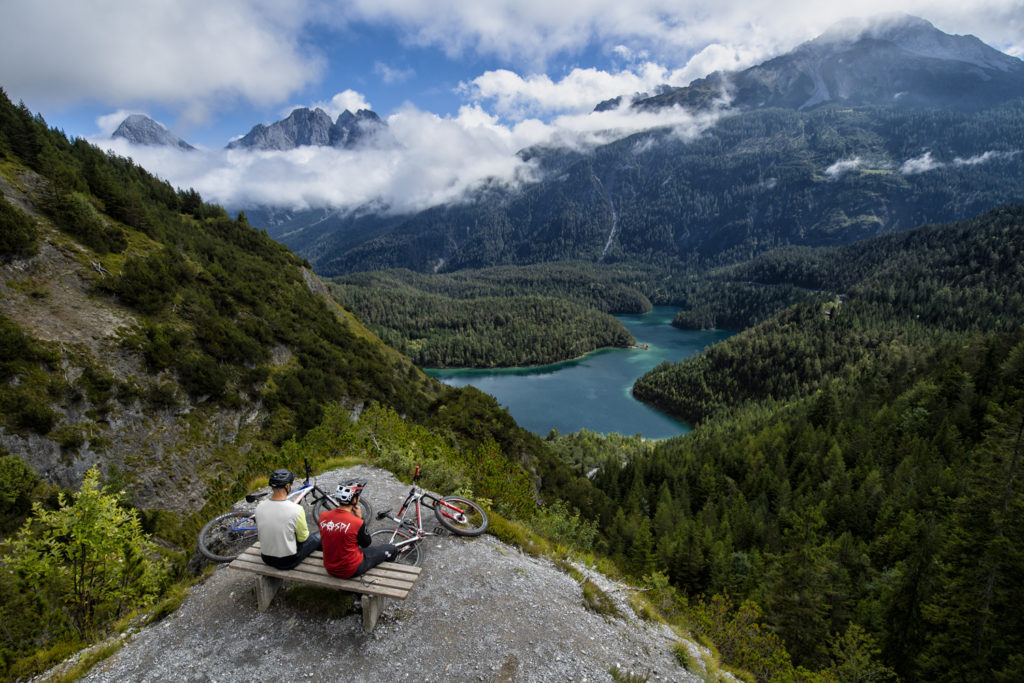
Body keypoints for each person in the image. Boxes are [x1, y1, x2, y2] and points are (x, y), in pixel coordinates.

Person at [319, 480, 399, 578]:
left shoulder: (323, 516)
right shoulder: (356, 522)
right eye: (358, 496)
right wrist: (359, 518)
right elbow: (366, 543)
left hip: (330, 567)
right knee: (391, 549)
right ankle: (384, 578)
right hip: (350, 569)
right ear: (354, 500)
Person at [254, 468, 321, 569]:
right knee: (319, 536)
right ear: (287, 486)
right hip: (287, 561)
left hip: (266, 558)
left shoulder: (259, 507)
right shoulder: (296, 509)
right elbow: (303, 538)